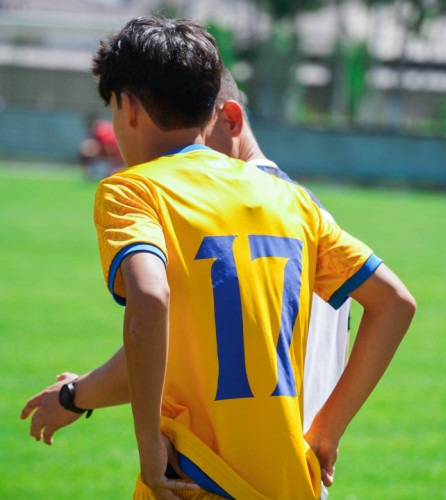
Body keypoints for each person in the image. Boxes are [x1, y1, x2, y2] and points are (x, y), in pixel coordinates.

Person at [21, 16, 416, 500]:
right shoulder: (291, 200)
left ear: (127, 107)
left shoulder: (132, 190)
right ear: (212, 111)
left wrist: (147, 443)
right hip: (292, 482)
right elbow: (396, 303)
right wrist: (328, 430)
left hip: (195, 478)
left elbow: (151, 300)